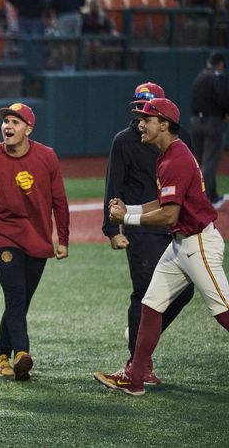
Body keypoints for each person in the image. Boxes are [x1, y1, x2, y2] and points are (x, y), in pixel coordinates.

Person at [95, 97, 229, 396]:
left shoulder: (176, 158)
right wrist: (130, 208)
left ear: (164, 124)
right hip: (181, 244)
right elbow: (164, 202)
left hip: (198, 245)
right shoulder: (169, 154)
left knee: (224, 312)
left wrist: (126, 216)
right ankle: (135, 377)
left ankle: (135, 374)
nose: (140, 124)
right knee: (150, 306)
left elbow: (169, 214)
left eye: (147, 119)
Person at [0, 103, 69, 381]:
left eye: (15, 122)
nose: (8, 126)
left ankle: (0, 355)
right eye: (6, 121)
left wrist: (63, 238)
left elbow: (59, 201)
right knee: (15, 296)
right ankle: (22, 352)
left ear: (28, 129)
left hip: (38, 236)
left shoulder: (47, 157)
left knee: (20, 301)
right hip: (4, 236)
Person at [102, 82, 195, 384]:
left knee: (184, 290)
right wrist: (113, 229)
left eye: (149, 109)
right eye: (140, 109)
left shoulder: (178, 142)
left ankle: (139, 338)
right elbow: (113, 186)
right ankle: (138, 364)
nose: (143, 116)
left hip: (172, 228)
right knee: (144, 295)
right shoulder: (125, 141)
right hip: (140, 230)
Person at [190, 51, 229, 206]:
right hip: (213, 122)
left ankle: (212, 195)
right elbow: (223, 97)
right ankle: (201, 200)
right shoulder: (218, 76)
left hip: (196, 122)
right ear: (220, 64)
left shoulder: (200, 76)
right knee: (210, 162)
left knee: (201, 162)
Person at [7, 0, 48, 72]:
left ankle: (24, 66)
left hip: (22, 17)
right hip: (35, 18)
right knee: (35, 43)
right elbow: (43, 2)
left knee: (24, 43)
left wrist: (19, 5)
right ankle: (34, 68)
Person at [49, 0, 85, 71]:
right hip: (77, 16)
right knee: (73, 43)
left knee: (64, 43)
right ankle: (74, 66)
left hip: (64, 16)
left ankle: (66, 67)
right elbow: (83, 2)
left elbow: (52, 5)